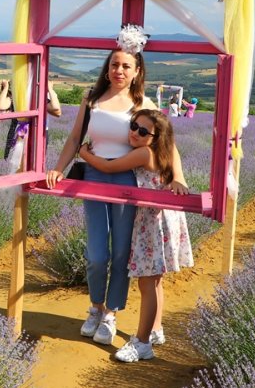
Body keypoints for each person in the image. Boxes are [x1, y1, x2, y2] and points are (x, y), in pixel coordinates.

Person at [45, 25, 156, 345]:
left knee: (121, 252)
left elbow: (159, 145)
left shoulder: (143, 103)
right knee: (96, 253)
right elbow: (75, 137)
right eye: (114, 64)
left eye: (125, 66)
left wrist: (175, 176)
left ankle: (111, 312)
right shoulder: (91, 98)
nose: (118, 70)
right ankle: (94, 307)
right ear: (107, 69)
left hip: (125, 181)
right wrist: (57, 168)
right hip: (93, 178)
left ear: (136, 72)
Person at [78, 109, 192, 362]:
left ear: (155, 137)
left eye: (143, 131)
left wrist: (84, 153)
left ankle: (141, 343)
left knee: (147, 283)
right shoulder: (162, 152)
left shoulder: (143, 153)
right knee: (156, 281)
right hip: (164, 219)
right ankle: (156, 330)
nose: (134, 132)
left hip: (152, 223)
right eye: (133, 125)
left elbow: (108, 167)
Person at [0, 78, 62, 163]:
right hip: (17, 133)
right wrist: (5, 88)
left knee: (34, 162)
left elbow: (57, 110)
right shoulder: (16, 98)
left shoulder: (39, 99)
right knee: (12, 163)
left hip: (37, 134)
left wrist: (50, 89)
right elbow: (0, 106)